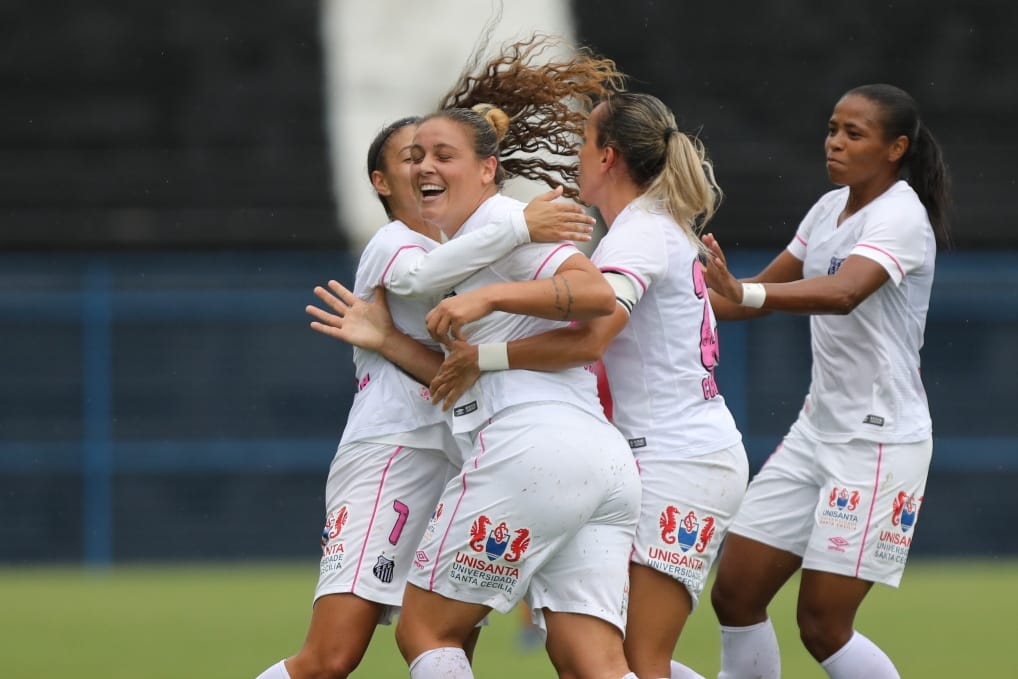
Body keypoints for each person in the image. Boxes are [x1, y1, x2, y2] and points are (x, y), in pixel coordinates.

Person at [330, 35, 642, 679]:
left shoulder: (506, 223)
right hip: (600, 462)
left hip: (531, 449)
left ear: (488, 169)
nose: (425, 167)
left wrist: (491, 293)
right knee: (594, 661)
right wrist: (401, 340)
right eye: (417, 155)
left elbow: (597, 297)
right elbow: (457, 357)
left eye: (444, 155)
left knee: (423, 630)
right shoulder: (474, 238)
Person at [255, 115, 596, 679]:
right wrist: (519, 224)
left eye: (432, 156)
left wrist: (390, 338)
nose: (422, 168)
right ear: (381, 183)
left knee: (446, 642)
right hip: (392, 454)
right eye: (409, 159)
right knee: (329, 658)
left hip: (462, 459)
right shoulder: (393, 243)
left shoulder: (465, 248)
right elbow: (419, 279)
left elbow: (455, 373)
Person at [425, 92, 748, 679]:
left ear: (609, 158)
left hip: (679, 457)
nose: (576, 154)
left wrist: (487, 339)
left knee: (638, 661)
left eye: (585, 143)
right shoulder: (652, 225)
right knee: (592, 659)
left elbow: (591, 337)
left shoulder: (638, 234)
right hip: (684, 452)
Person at [702, 83, 951, 679]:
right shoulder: (826, 208)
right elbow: (746, 303)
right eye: (833, 128)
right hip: (817, 431)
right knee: (734, 593)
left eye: (853, 133)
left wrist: (745, 291)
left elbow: (843, 294)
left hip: (878, 443)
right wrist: (652, 289)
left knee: (822, 625)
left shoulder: (901, 215)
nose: (835, 142)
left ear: (896, 148)